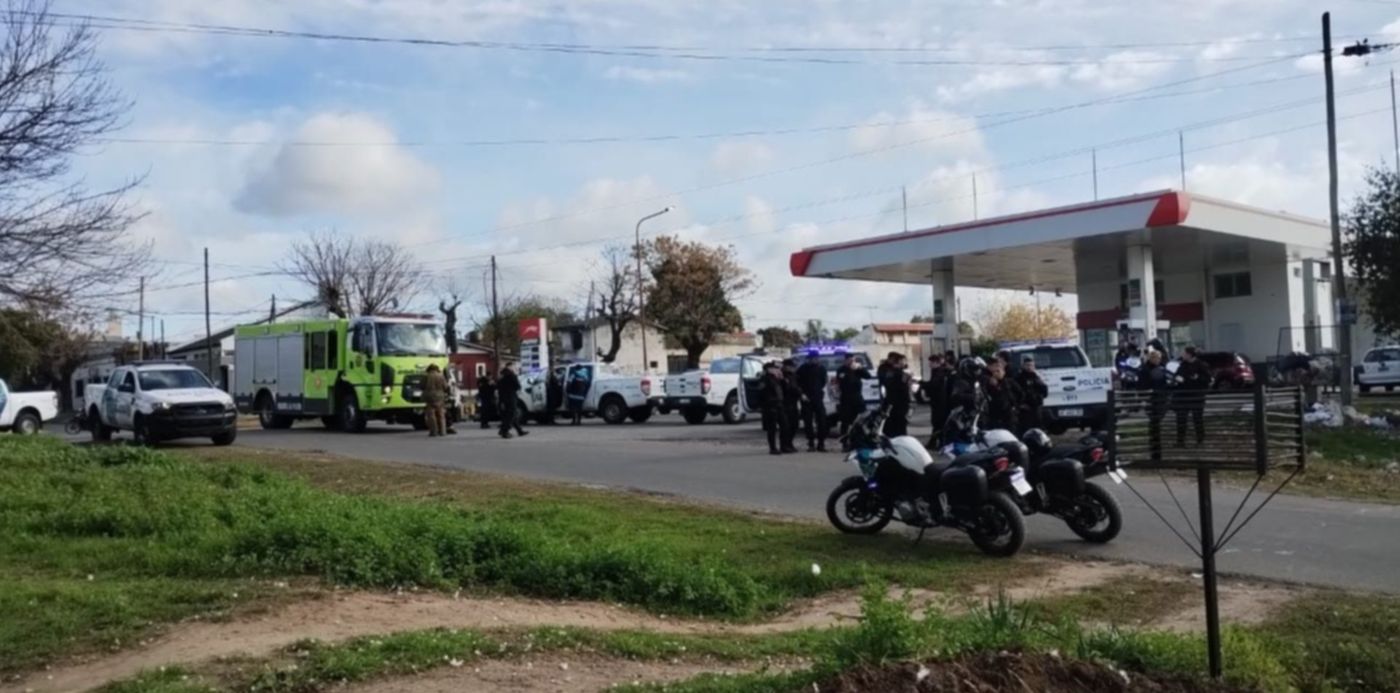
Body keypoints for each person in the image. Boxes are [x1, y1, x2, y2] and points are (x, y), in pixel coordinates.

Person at [1174, 346, 1212, 446]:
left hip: (1197, 396)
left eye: (1184, 353)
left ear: (1189, 355)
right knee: (1181, 418)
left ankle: (1200, 440)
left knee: (1197, 418)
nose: (1182, 355)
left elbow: (1208, 379)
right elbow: (1177, 374)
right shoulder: (1183, 364)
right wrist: (1177, 378)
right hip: (1183, 397)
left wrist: (1198, 377)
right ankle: (1180, 441)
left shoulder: (1201, 365)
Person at [1140, 349, 1170, 463]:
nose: (1158, 360)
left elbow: (1164, 383)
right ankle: (1155, 453)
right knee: (1154, 425)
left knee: (1156, 424)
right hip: (1152, 400)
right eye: (1156, 358)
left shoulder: (1161, 369)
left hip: (1160, 399)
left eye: (1159, 358)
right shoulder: (1145, 370)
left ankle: (1157, 452)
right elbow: (1142, 385)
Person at [795, 351, 829, 452]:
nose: (815, 360)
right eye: (813, 358)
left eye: (817, 358)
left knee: (822, 421)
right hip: (806, 399)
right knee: (808, 422)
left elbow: (823, 382)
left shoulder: (821, 369)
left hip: (818, 397)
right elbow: (797, 383)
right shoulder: (802, 369)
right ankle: (811, 443)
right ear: (809, 359)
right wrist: (802, 394)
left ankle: (821, 443)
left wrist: (818, 392)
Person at [835, 353, 871, 447]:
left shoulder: (857, 369)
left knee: (860, 420)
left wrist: (860, 368)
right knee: (845, 422)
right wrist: (850, 371)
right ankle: (844, 443)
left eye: (852, 360)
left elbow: (868, 376)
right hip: (846, 398)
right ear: (845, 360)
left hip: (857, 398)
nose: (851, 362)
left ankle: (858, 441)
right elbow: (841, 381)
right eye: (849, 360)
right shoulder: (841, 370)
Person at [758, 361, 788, 455]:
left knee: (785, 425)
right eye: (774, 368)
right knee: (772, 428)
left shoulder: (777, 379)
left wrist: (782, 379)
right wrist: (767, 404)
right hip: (770, 406)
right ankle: (773, 448)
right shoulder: (764, 379)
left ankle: (783, 446)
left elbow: (784, 389)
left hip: (779, 404)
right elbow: (761, 393)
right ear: (769, 370)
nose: (777, 370)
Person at [1013, 355, 1048, 434]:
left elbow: (1044, 391)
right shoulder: (1019, 378)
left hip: (1036, 409)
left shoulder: (1036, 377)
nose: (1029, 367)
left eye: (1031, 365)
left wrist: (1039, 398)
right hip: (1024, 410)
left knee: (1038, 429)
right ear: (1023, 366)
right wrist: (1020, 404)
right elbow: (1015, 393)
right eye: (1027, 365)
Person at [881, 351, 912, 438]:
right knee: (901, 427)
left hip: (890, 402)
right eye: (903, 361)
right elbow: (904, 389)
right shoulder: (901, 374)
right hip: (900, 404)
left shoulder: (889, 372)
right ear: (898, 362)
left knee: (890, 426)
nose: (904, 363)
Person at [924, 353, 953, 447]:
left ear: (936, 362)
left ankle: (937, 442)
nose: (929, 365)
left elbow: (934, 386)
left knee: (938, 423)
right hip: (937, 402)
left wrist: (922, 384)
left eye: (931, 363)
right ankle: (935, 442)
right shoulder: (937, 371)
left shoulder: (939, 372)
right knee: (937, 423)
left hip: (940, 403)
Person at [983, 359, 1018, 432]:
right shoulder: (987, 381)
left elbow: (1019, 393)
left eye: (999, 370)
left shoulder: (1008, 382)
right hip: (993, 414)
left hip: (1008, 414)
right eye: (995, 370)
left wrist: (1014, 405)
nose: (997, 372)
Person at [497, 363, 528, 439]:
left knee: (511, 415)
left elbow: (498, 387)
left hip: (503, 398)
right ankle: (504, 431)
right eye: (513, 366)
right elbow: (517, 386)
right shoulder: (511, 375)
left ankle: (519, 431)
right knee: (511, 415)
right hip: (511, 397)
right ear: (510, 367)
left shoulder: (501, 376)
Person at [780, 359, 802, 453]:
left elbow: (796, 386)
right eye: (791, 366)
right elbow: (789, 388)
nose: (793, 368)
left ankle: (789, 443)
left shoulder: (794, 376)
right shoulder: (782, 376)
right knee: (786, 426)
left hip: (793, 403)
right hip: (785, 404)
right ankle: (784, 445)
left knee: (794, 425)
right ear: (786, 366)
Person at [422, 363, 449, 437]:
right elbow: (446, 387)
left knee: (431, 415)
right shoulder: (441, 375)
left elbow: (422, 386)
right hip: (440, 396)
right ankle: (443, 431)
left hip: (429, 396)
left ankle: (434, 432)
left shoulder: (426, 376)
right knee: (441, 414)